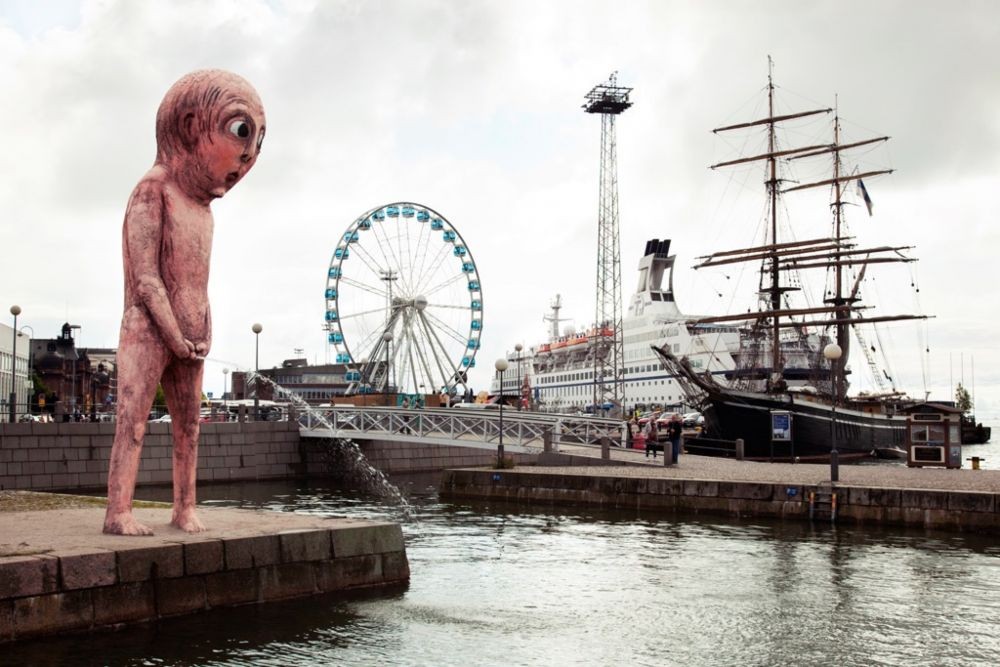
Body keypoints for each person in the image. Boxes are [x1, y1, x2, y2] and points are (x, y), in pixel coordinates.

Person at [103, 70, 266, 536]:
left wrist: (204, 329)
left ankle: (184, 507)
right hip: (149, 329)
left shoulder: (204, 212)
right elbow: (146, 279)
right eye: (241, 132)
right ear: (194, 126)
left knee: (189, 429)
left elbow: (200, 283)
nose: (249, 155)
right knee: (133, 421)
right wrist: (173, 333)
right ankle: (118, 511)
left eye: (258, 140)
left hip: (192, 335)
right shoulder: (153, 189)